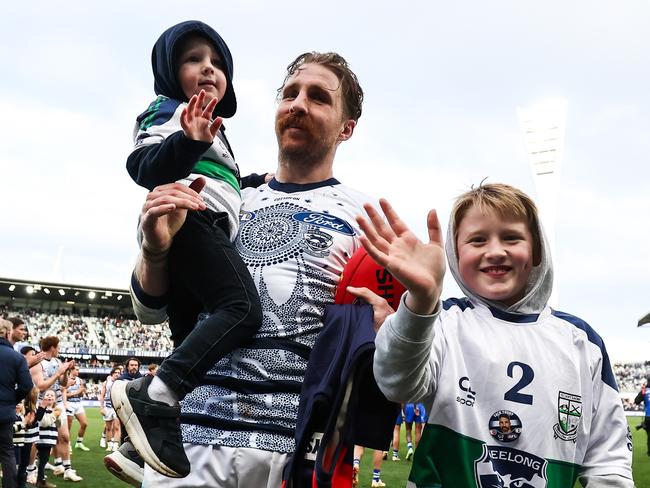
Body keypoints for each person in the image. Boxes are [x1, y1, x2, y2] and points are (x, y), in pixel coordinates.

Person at [128, 51, 373, 487]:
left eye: (318, 97)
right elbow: (149, 310)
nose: (298, 104)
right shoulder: (227, 198)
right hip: (190, 445)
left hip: (286, 452)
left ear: (346, 128)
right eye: (290, 94)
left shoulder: (365, 221)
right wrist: (155, 248)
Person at [363, 184, 634, 486]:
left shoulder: (582, 343)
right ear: (454, 253)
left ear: (536, 250)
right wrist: (421, 302)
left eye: (511, 237)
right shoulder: (442, 322)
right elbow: (396, 383)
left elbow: (609, 461)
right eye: (477, 240)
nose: (495, 251)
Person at [112, 20, 264, 479]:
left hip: (201, 225)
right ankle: (153, 395)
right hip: (192, 219)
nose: (208, 69)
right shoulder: (171, 111)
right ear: (168, 69)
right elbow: (143, 164)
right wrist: (189, 138)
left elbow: (227, 178)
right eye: (194, 59)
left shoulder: (211, 128)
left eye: (217, 63)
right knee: (240, 308)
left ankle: (138, 448)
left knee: (190, 336)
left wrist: (254, 180)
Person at [28, 337, 81, 482]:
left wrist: (65, 371)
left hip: (57, 404)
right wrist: (58, 373)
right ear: (52, 347)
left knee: (64, 437)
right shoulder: (37, 363)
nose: (59, 350)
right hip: (41, 405)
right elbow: (40, 386)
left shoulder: (57, 362)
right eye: (58, 347)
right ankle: (30, 471)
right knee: (35, 440)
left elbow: (63, 384)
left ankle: (67, 469)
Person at [0, 319, 33, 488]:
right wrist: (12, 400)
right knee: (7, 454)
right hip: (5, 413)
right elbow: (27, 386)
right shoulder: (17, 357)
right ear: (8, 333)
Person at [34, 390, 61, 488]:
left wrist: (58, 415)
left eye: (52, 395)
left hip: (50, 439)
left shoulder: (55, 409)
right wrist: (55, 415)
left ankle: (40, 480)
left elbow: (59, 424)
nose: (50, 396)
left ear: (55, 399)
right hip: (42, 439)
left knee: (44, 459)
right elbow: (44, 423)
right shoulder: (41, 409)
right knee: (43, 460)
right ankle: (41, 481)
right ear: (43, 397)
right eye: (47, 395)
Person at [64, 366, 89, 451]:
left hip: (78, 403)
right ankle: (68, 445)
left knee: (84, 423)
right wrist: (77, 392)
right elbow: (64, 394)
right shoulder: (66, 379)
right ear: (71, 370)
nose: (78, 371)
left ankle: (79, 442)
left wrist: (82, 392)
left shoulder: (80, 380)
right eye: (76, 369)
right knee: (68, 427)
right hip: (69, 403)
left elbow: (81, 394)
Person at [99, 368, 121, 453]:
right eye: (115, 372)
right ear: (112, 374)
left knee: (116, 427)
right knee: (108, 428)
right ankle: (109, 445)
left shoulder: (120, 383)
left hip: (117, 408)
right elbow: (102, 395)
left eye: (119, 373)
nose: (117, 374)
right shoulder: (106, 382)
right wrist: (101, 408)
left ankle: (115, 445)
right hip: (107, 408)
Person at [634, 376, 650, 455]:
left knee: (649, 435)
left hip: (648, 416)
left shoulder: (644, 391)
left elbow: (636, 401)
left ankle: (649, 452)